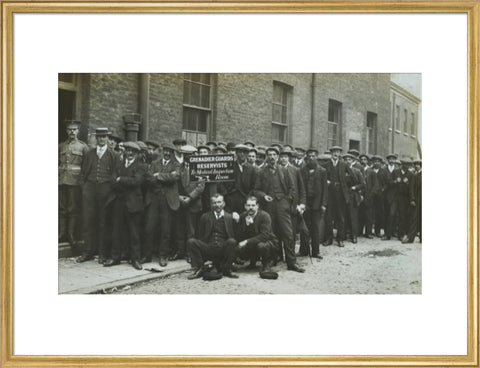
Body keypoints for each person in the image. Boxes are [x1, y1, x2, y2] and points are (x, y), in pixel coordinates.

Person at [253, 147, 304, 272]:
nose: (271, 157)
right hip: (269, 206)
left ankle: (292, 262)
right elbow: (256, 190)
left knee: (288, 234)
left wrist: (287, 201)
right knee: (271, 234)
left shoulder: (284, 170)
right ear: (266, 157)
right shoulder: (261, 172)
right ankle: (272, 260)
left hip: (282, 205)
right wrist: (264, 196)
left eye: (274, 155)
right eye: (269, 155)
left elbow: (292, 188)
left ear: (277, 156)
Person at [76, 127, 118, 263]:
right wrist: (84, 187)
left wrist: (109, 187)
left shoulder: (113, 155)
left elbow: (115, 174)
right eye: (99, 136)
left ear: (107, 138)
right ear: (96, 138)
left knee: (103, 222)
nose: (101, 139)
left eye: (104, 136)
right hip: (90, 190)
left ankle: (102, 253)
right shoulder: (89, 154)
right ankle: (87, 252)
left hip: (105, 191)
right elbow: (83, 172)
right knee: (88, 221)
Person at [104, 142, 145, 270]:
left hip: (133, 203)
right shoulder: (119, 164)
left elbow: (136, 181)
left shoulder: (140, 166)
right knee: (116, 231)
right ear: (125, 151)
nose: (130, 153)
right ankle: (115, 257)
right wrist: (122, 181)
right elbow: (112, 181)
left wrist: (121, 179)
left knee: (134, 233)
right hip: (119, 202)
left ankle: (136, 259)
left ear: (137, 154)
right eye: (128, 150)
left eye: (133, 151)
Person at [143, 143, 180, 266]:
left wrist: (158, 175)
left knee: (165, 229)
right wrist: (165, 178)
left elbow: (174, 178)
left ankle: (163, 256)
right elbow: (148, 178)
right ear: (162, 151)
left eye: (170, 151)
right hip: (154, 199)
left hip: (167, 200)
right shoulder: (154, 163)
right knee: (149, 228)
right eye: (165, 150)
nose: (167, 153)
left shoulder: (176, 164)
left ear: (173, 152)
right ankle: (147, 255)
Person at [186, 194, 238, 279]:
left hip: (223, 249)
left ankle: (227, 269)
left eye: (219, 202)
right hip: (209, 248)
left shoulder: (229, 217)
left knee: (232, 241)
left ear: (224, 203)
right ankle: (200, 268)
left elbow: (234, 235)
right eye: (214, 203)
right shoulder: (205, 217)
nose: (217, 205)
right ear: (211, 204)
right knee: (191, 242)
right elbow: (200, 235)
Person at [58, 120, 89, 249]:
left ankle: (71, 235)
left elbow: (86, 166)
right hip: (60, 180)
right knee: (61, 208)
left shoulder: (83, 147)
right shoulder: (60, 146)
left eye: (74, 129)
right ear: (66, 131)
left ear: (78, 131)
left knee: (72, 208)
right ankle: (61, 234)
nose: (72, 132)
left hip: (75, 182)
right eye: (70, 129)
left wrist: (82, 181)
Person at [234, 196, 279, 271]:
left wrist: (246, 241)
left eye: (253, 205)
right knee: (240, 246)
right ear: (245, 206)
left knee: (261, 245)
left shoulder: (264, 216)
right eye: (248, 205)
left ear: (257, 206)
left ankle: (266, 265)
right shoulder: (243, 216)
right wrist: (243, 224)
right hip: (253, 243)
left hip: (269, 242)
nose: (250, 208)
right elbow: (239, 235)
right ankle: (252, 263)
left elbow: (264, 236)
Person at [299, 148, 328, 258]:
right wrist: (301, 203)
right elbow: (300, 188)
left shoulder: (322, 171)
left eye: (313, 156)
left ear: (316, 157)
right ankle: (304, 250)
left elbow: (325, 189)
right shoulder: (302, 170)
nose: (311, 158)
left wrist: (323, 204)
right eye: (309, 156)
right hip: (305, 202)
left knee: (315, 227)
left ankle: (316, 251)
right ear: (307, 157)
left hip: (317, 203)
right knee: (304, 227)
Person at [324, 146, 354, 247]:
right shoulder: (326, 164)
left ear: (340, 154)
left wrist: (344, 181)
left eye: (337, 152)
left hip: (340, 194)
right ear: (331, 153)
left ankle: (340, 239)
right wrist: (326, 181)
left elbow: (352, 177)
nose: (335, 154)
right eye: (334, 152)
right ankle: (329, 238)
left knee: (340, 217)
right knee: (328, 217)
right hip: (329, 194)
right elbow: (322, 177)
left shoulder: (344, 165)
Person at [223, 144, 257, 214]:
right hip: (230, 199)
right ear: (236, 153)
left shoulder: (252, 169)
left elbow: (254, 186)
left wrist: (248, 197)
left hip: (245, 199)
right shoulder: (229, 166)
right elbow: (221, 182)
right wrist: (226, 194)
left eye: (244, 152)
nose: (242, 154)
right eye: (239, 152)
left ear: (247, 154)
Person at [344, 153, 365, 244]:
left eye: (349, 159)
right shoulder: (342, 170)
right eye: (345, 160)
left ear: (352, 160)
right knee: (344, 215)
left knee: (353, 216)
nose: (347, 161)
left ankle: (354, 236)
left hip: (353, 195)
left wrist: (355, 188)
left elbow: (363, 184)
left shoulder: (357, 171)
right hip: (344, 195)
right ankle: (343, 234)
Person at [402, 159, 422, 243]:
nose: (416, 166)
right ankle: (410, 238)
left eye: (418, 164)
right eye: (415, 164)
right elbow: (412, 189)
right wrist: (412, 199)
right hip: (417, 200)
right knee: (414, 219)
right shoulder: (415, 175)